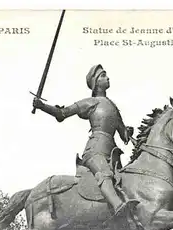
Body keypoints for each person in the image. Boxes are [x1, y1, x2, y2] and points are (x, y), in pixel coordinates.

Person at [32, 64, 139, 218]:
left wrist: (128, 132)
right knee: (104, 174)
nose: (107, 77)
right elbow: (63, 113)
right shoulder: (90, 102)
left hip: (112, 154)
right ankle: (118, 207)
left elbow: (124, 136)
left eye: (106, 75)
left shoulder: (113, 106)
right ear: (95, 82)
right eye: (103, 75)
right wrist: (42, 106)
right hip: (95, 151)